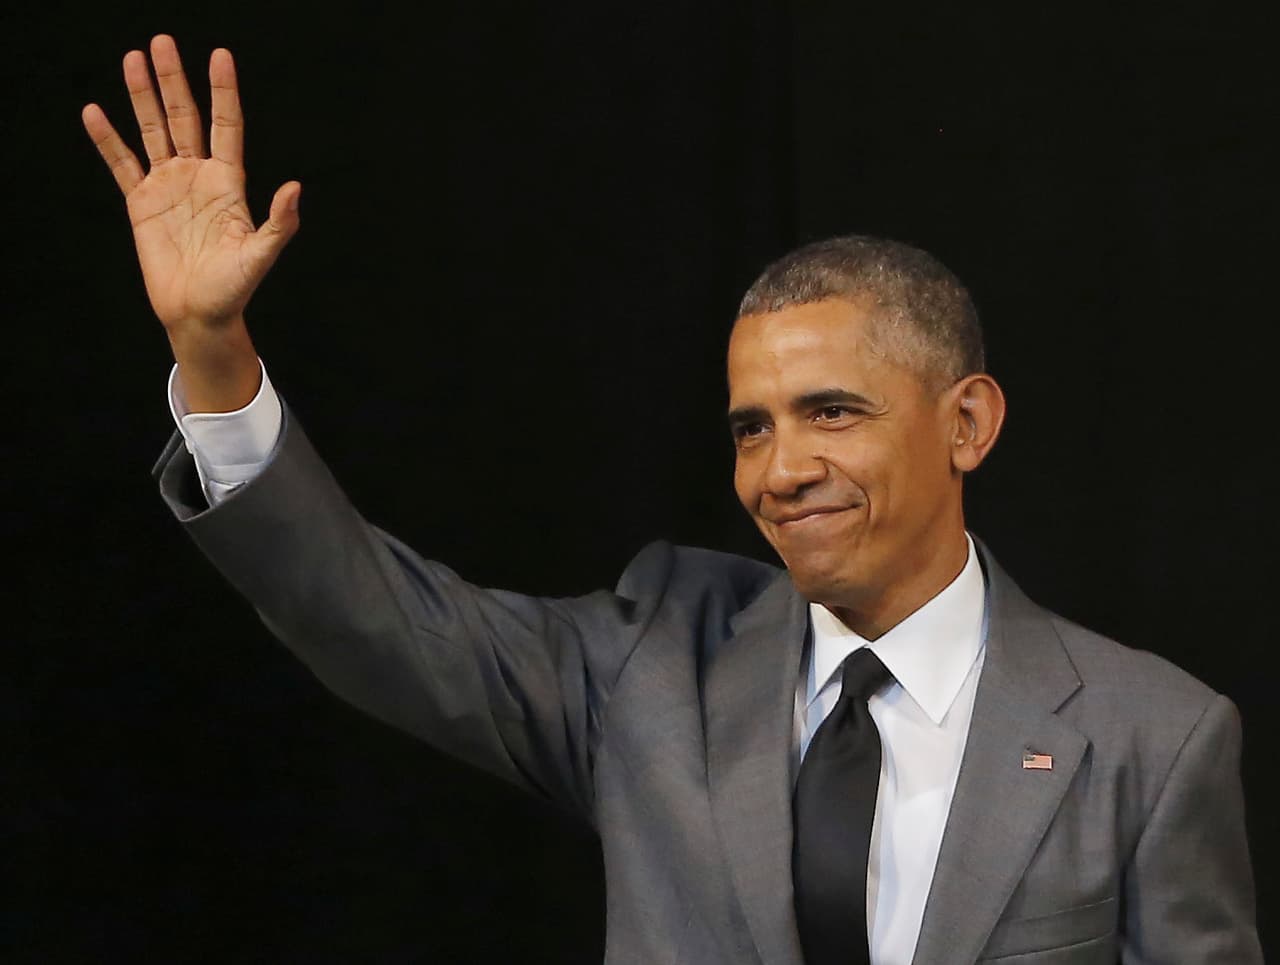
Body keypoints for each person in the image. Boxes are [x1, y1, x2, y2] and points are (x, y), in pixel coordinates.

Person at [84, 36, 1262, 964]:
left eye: (831, 411)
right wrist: (214, 354)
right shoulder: (650, 666)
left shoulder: (1148, 738)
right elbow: (370, 614)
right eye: (751, 426)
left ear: (965, 422)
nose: (778, 467)